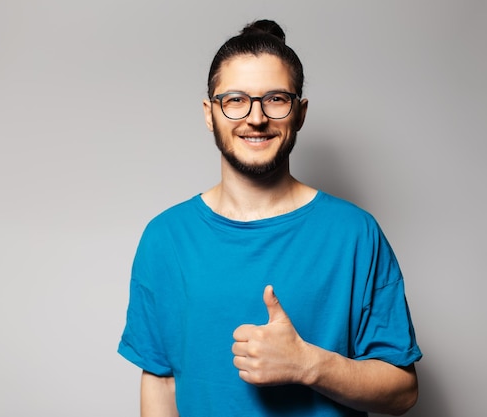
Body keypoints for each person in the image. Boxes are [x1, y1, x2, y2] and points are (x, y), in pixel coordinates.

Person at [118, 19, 422, 417]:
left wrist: (308, 364)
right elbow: (161, 382)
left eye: (276, 99)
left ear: (300, 113)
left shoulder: (355, 234)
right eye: (235, 100)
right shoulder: (166, 238)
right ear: (210, 114)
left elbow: (402, 393)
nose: (256, 117)